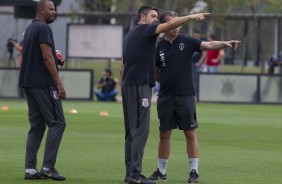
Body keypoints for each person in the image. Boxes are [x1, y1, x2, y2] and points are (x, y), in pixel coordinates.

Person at [147, 11, 241, 183]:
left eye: (178, 24)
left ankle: (194, 172)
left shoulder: (188, 41)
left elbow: (210, 45)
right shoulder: (158, 46)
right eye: (173, 24)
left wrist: (226, 43)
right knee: (164, 134)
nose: (176, 27)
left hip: (186, 95)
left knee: (190, 133)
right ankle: (161, 172)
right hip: (166, 96)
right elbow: (156, 71)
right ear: (165, 26)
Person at [121, 5, 210, 184]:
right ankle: (135, 176)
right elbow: (170, 25)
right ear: (143, 17)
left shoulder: (131, 33)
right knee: (140, 131)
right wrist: (192, 16)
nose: (156, 19)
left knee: (131, 132)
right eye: (153, 16)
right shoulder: (146, 30)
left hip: (129, 85)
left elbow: (123, 65)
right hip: (140, 87)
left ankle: (130, 173)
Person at [19, 0, 66, 181]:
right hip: (43, 83)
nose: (54, 12)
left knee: (37, 126)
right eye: (51, 9)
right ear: (41, 11)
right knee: (57, 123)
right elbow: (46, 57)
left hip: (29, 83)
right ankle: (47, 168)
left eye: (54, 9)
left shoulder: (31, 28)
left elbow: (43, 54)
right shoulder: (44, 29)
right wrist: (59, 84)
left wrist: (56, 57)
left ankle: (30, 170)